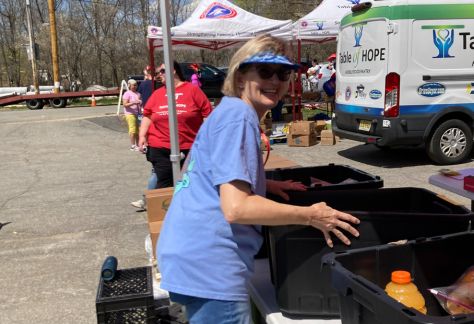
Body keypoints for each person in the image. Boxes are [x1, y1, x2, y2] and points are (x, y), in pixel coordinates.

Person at [156, 35, 360, 324]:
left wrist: (265, 184)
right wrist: (311, 216)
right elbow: (236, 208)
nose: (274, 81)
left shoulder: (229, 111)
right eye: (264, 72)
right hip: (210, 265)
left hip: (189, 254)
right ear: (240, 77)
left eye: (283, 73)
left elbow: (213, 170)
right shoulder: (239, 117)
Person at [138, 61, 212, 188]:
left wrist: (207, 139)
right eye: (157, 73)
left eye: (162, 71)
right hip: (160, 146)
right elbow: (148, 115)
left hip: (188, 147)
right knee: (164, 184)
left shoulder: (193, 91)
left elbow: (208, 115)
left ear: (173, 71)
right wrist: (142, 136)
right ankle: (160, 205)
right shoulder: (157, 93)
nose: (158, 75)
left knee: (189, 183)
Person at [122, 79, 142, 151]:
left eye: (136, 85)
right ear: (129, 85)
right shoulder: (127, 93)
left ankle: (138, 144)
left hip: (139, 113)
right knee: (132, 130)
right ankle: (133, 145)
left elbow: (139, 103)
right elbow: (125, 104)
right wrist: (133, 102)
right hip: (130, 114)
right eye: (133, 85)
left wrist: (140, 104)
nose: (135, 86)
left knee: (139, 130)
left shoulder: (138, 94)